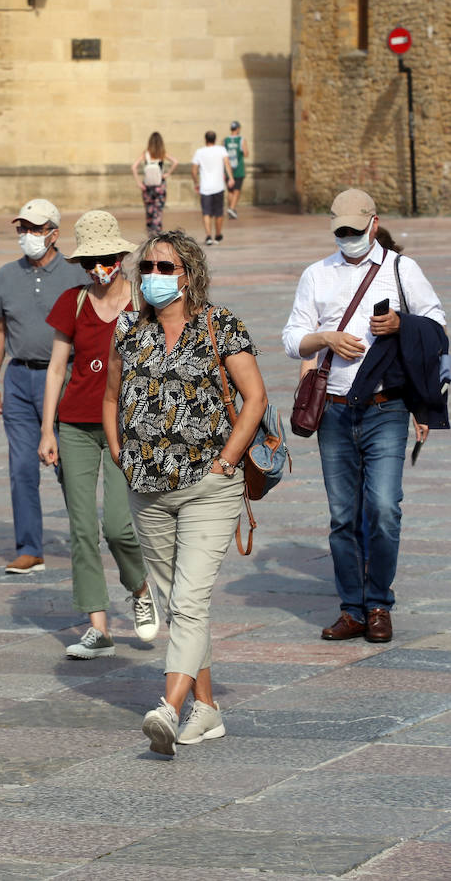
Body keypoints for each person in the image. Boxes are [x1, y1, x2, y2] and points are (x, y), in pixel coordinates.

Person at [104, 229, 266, 756]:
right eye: (146, 266)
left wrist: (225, 462)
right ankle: (208, 709)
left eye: (164, 267)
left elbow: (255, 398)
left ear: (189, 275)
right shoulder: (128, 327)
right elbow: (110, 396)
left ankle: (169, 709)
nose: (152, 275)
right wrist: (119, 453)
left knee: (191, 601)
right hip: (146, 487)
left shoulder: (221, 325)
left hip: (208, 486)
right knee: (177, 604)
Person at [281, 189, 447, 644]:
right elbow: (293, 337)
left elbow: (436, 322)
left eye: (356, 230)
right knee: (342, 516)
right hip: (334, 411)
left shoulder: (399, 268)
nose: (349, 238)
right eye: (341, 232)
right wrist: (327, 339)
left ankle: (379, 603)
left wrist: (399, 324)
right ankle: (352, 608)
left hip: (385, 406)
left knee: (384, 507)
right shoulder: (317, 274)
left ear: (374, 224)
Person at [38, 210, 156, 659]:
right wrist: (47, 429)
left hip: (125, 429)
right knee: (83, 528)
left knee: (119, 527)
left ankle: (140, 589)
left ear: (121, 256)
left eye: (104, 258)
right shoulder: (73, 302)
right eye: (89, 261)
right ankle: (98, 625)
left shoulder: (143, 302)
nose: (97, 267)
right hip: (75, 426)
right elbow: (55, 368)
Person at [0, 198, 81, 573]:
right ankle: (29, 546)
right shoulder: (6, 275)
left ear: (54, 234)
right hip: (19, 379)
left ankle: (85, 536)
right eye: (21, 229)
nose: (26, 235)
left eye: (35, 229)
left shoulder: (76, 275)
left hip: (64, 379)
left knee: (69, 466)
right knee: (21, 465)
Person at [190, 131, 233, 246]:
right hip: (219, 186)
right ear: (215, 139)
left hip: (205, 187)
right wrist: (231, 178)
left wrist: (196, 182)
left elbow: (193, 170)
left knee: (206, 213)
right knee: (219, 212)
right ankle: (218, 235)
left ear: (205, 139)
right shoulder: (221, 150)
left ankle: (208, 236)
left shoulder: (199, 152)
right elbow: (227, 164)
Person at [131, 133, 178, 235]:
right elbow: (175, 162)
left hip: (147, 186)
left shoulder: (146, 154)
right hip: (160, 186)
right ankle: (157, 232)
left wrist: (139, 182)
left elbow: (134, 167)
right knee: (158, 211)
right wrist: (167, 174)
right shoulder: (162, 154)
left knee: (149, 210)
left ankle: (150, 232)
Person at [223, 121, 249, 220]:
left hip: (228, 169)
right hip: (238, 168)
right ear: (238, 129)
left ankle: (231, 209)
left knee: (230, 191)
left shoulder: (225, 140)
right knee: (237, 190)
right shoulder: (241, 140)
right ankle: (232, 208)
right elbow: (246, 153)